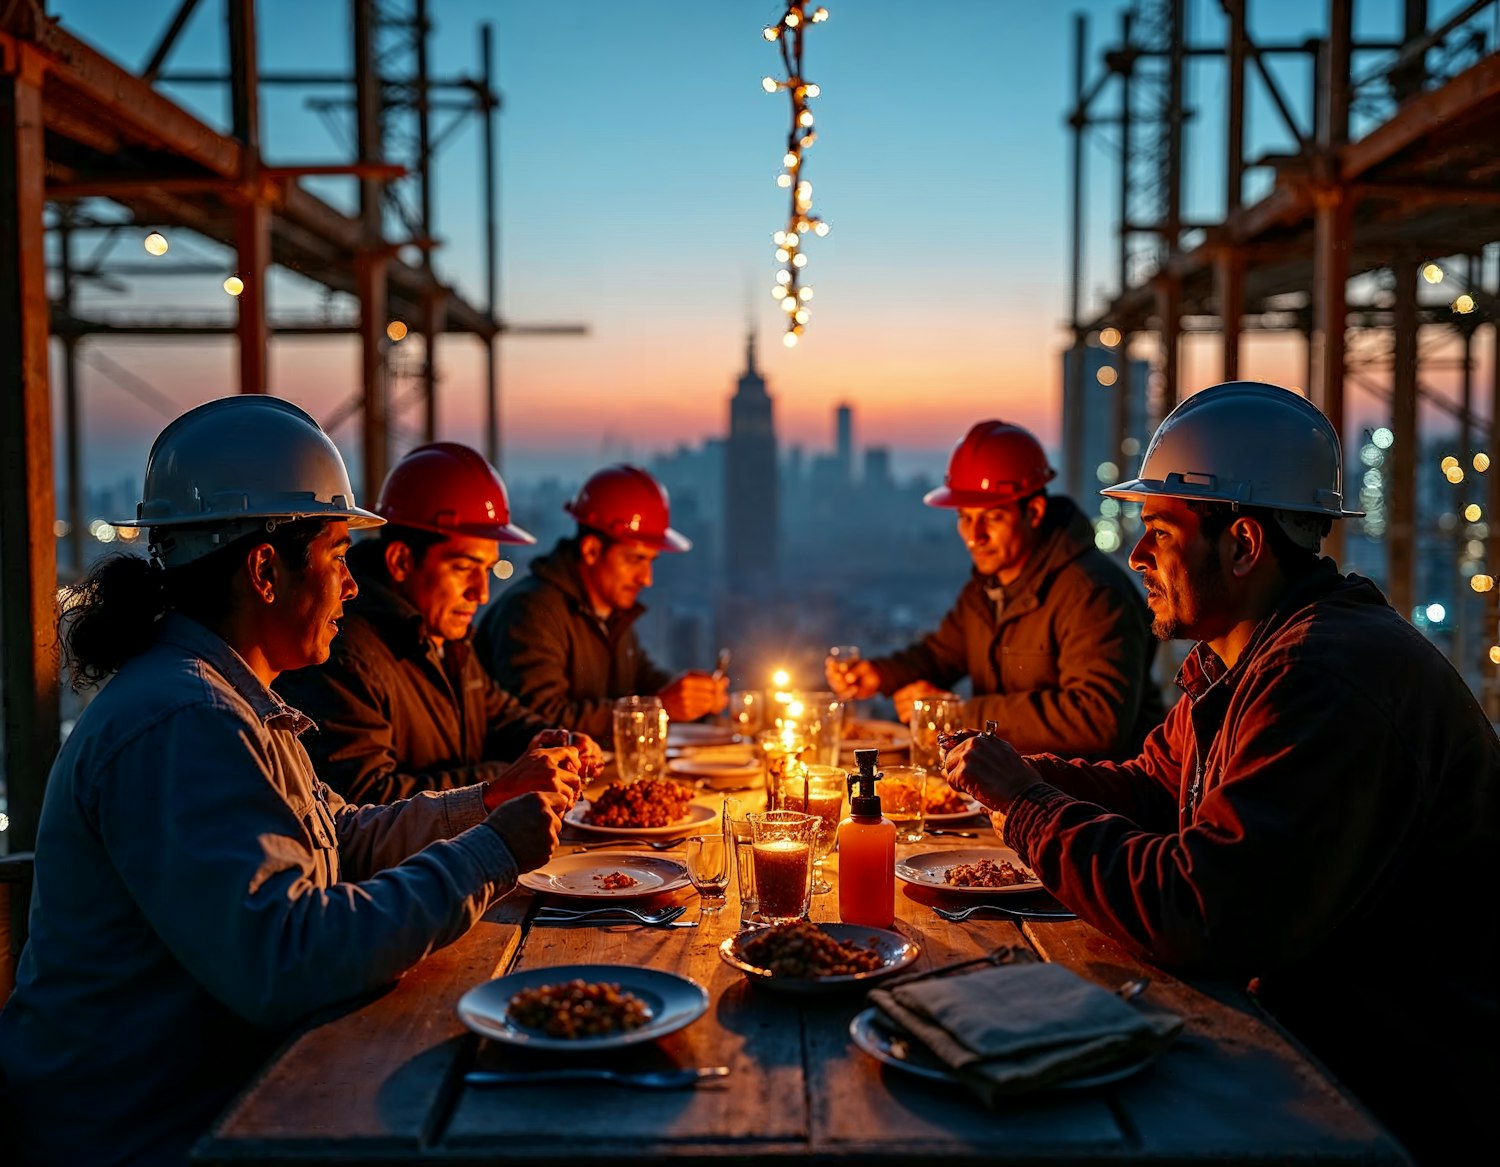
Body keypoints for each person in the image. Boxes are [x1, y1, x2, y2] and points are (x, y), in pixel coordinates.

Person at [0, 397, 580, 1167]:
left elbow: (340, 834)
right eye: (339, 555)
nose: (350, 586)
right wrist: (485, 855)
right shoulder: (184, 721)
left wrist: (487, 805)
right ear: (266, 569)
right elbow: (289, 958)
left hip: (228, 1093)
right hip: (158, 1136)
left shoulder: (229, 696)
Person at [943, 381, 1498, 1164]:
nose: (1134, 555)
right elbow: (1152, 790)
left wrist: (1028, 805)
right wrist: (1011, 775)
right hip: (1310, 1039)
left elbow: (1198, 910)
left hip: (1393, 1097)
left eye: (1159, 531)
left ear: (1240, 545)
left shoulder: (1323, 681)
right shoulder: (1240, 660)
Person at [275, 442, 603, 805]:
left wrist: (555, 741)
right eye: (463, 568)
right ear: (400, 561)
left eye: (487, 570)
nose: (480, 593)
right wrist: (506, 779)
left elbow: (498, 715)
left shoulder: (444, 636)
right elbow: (368, 800)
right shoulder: (344, 653)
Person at [826, 419, 1163, 759]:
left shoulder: (1092, 593)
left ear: (1033, 512)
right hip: (1024, 789)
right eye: (965, 518)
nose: (974, 536)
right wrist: (879, 675)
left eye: (992, 518)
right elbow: (941, 655)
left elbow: (1095, 721)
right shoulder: (988, 588)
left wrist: (956, 715)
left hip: (1097, 804)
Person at [474, 463, 728, 741]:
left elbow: (642, 681)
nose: (646, 579)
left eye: (651, 562)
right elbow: (541, 721)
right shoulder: (533, 612)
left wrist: (693, 698)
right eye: (635, 560)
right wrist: (659, 709)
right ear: (592, 551)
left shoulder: (611, 615)